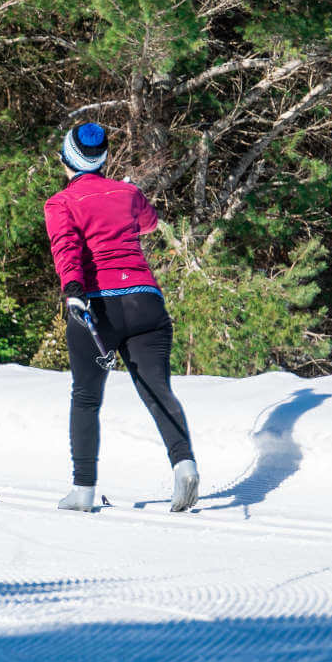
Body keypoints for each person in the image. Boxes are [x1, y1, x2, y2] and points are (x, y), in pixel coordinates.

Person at [42, 122, 198, 512]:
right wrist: (123, 199)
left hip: (99, 309)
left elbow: (66, 248)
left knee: (87, 397)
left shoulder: (61, 203)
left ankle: (83, 490)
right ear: (103, 159)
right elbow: (149, 222)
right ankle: (184, 465)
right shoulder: (128, 192)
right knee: (158, 391)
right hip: (146, 302)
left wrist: (73, 292)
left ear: (66, 161)